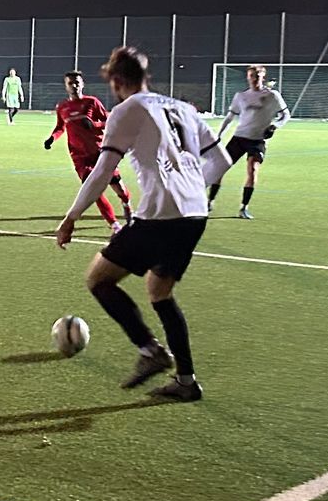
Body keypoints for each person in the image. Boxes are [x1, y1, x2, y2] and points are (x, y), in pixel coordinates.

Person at [55, 46, 231, 402]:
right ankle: (186, 381)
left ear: (117, 80)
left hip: (160, 216)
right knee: (159, 291)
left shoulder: (127, 110)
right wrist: (190, 187)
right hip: (195, 214)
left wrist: (71, 217)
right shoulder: (183, 108)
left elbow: (102, 171)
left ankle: (150, 351)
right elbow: (222, 160)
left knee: (99, 279)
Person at [45, 70, 133, 232]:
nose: (74, 86)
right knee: (94, 191)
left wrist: (94, 125)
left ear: (82, 84)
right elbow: (60, 127)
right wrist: (52, 138)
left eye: (77, 82)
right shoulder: (62, 107)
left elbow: (109, 121)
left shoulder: (92, 102)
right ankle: (115, 226)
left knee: (119, 189)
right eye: (70, 83)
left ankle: (126, 204)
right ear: (66, 86)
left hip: (100, 153)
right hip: (80, 158)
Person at [209, 64, 290, 219]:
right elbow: (230, 117)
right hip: (239, 138)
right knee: (220, 168)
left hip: (258, 140)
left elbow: (285, 115)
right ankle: (210, 201)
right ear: (248, 77)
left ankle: (243, 208)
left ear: (263, 77)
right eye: (252, 76)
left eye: (257, 76)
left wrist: (275, 126)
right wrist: (218, 135)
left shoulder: (273, 95)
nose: (254, 79)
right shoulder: (241, 96)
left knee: (252, 170)